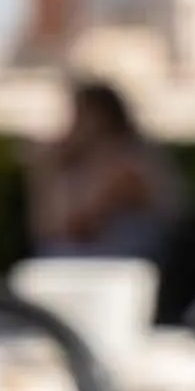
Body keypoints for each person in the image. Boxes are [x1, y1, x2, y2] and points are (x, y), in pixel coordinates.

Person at [30, 78, 177, 262]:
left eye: (80, 115)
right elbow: (47, 229)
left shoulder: (129, 162)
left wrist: (51, 167)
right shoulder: (82, 164)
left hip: (123, 268)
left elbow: (78, 225)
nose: (73, 125)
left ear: (102, 117)